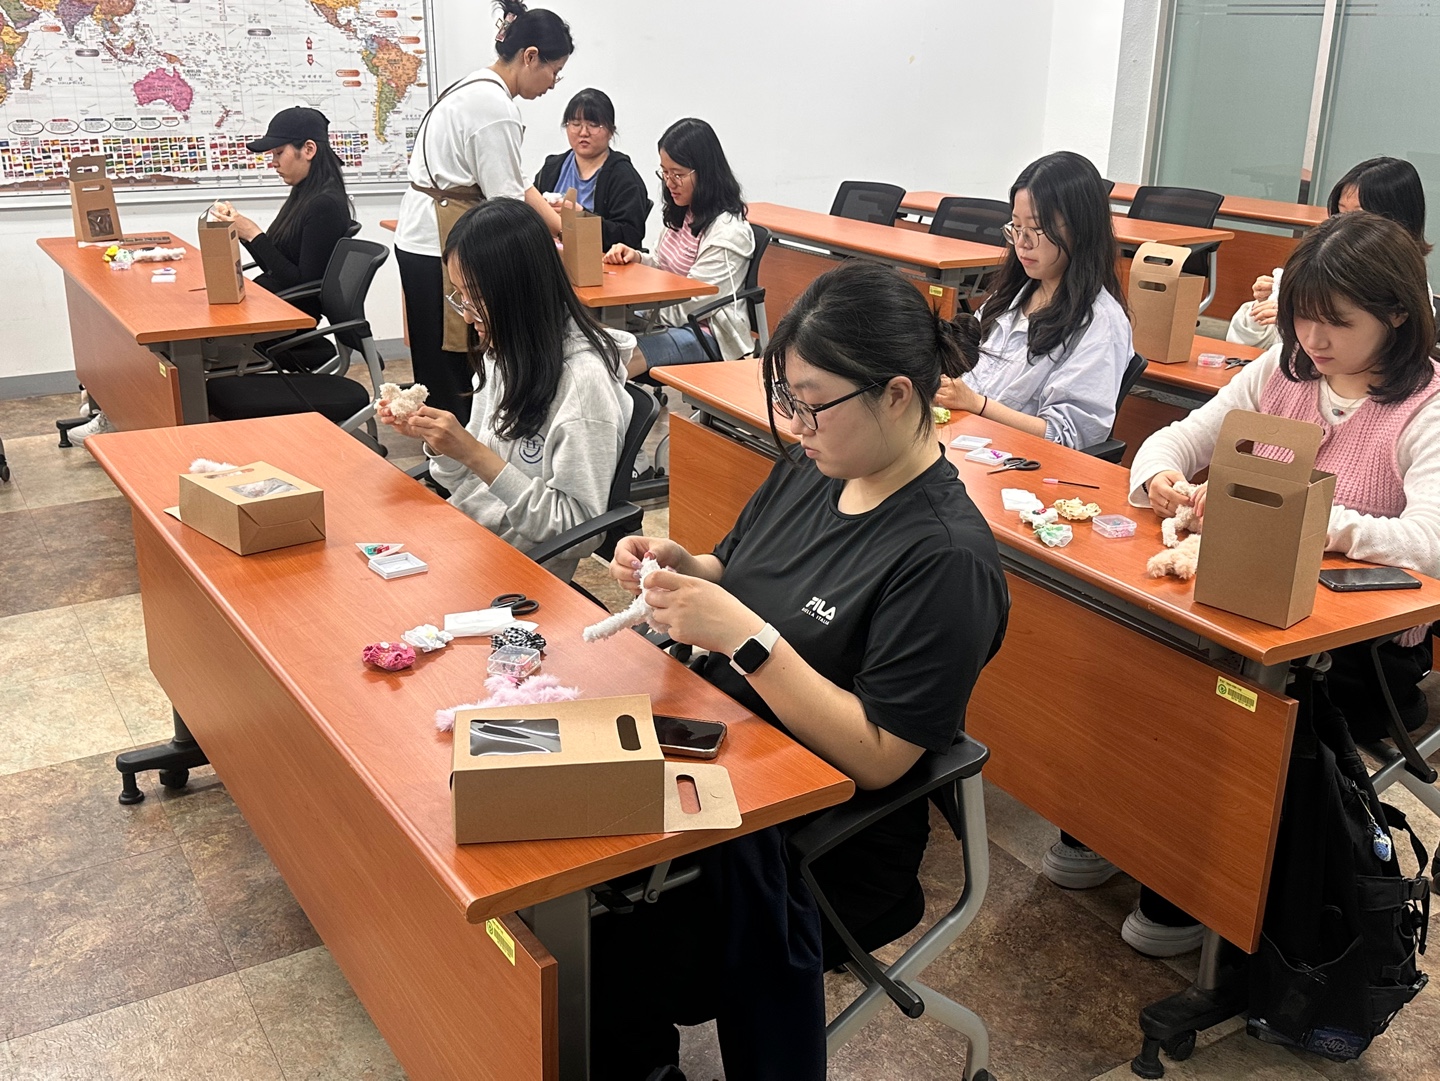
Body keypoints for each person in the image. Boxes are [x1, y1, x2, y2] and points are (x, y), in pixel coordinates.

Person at [589, 261, 1009, 1079]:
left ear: (897, 395)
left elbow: (879, 754)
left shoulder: (946, 557)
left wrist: (747, 640)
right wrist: (686, 567)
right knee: (556, 882)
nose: (796, 423)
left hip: (823, 845)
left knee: (594, 948)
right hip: (726, 766)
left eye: (812, 402)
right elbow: (739, 569)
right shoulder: (818, 466)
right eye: (788, 396)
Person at [1062, 211, 1440, 958]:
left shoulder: (1424, 407)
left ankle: (1191, 885)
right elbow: (1179, 437)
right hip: (1246, 605)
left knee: (1211, 690)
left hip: (1357, 654)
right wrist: (1160, 476)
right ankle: (1110, 825)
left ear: (1397, 314)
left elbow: (1429, 546)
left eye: (1337, 322)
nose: (1313, 339)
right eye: (1301, 317)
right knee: (1131, 652)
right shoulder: (1283, 372)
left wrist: (1311, 516)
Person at [379, 198, 634, 582]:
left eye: (477, 298)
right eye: (460, 296)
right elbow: (464, 482)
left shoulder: (583, 387)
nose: (467, 315)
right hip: (469, 536)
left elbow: (578, 531)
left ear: (519, 293)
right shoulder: (503, 354)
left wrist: (473, 453)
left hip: (520, 573)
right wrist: (445, 446)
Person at [68, 106, 353, 442]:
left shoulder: (326, 205)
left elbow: (302, 283)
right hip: (270, 303)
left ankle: (131, 417)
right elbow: (279, 263)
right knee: (156, 323)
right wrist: (240, 232)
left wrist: (252, 234)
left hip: (284, 318)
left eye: (279, 153)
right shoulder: (305, 194)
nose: (273, 162)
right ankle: (117, 406)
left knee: (167, 339)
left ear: (309, 149)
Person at [394, 0, 572, 424]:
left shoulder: (474, 86)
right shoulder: (495, 108)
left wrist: (563, 227)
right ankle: (455, 452)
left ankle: (444, 444)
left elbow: (516, 182)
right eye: (554, 71)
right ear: (530, 56)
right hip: (440, 236)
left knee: (436, 357)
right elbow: (507, 204)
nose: (553, 83)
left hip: (422, 233)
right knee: (455, 360)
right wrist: (555, 246)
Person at [932, 150, 1133, 451]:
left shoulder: (1100, 323)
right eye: (1016, 227)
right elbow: (963, 365)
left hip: (1018, 459)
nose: (1022, 243)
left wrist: (976, 404)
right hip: (964, 437)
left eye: (1037, 229)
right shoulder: (1013, 295)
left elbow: (1066, 437)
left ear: (1080, 230)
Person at [603, 117, 756, 375]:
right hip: (666, 318)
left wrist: (640, 313)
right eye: (664, 172)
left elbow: (693, 303)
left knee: (615, 358)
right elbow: (664, 267)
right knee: (591, 337)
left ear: (705, 173)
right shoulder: (684, 212)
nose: (669, 182)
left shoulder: (729, 232)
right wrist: (638, 258)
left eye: (678, 174)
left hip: (706, 332)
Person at [1228, 156, 1430, 349]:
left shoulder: (1405, 287)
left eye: (1359, 214)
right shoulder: (1319, 264)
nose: (1344, 223)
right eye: (1341, 212)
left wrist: (1294, 318)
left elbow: (1356, 354)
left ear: (1396, 220)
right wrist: (1266, 306)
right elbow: (1243, 344)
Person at [528, 88, 649, 249]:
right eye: (576, 124)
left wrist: (582, 216)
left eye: (594, 125)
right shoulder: (551, 168)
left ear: (611, 131)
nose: (583, 132)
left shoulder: (624, 177)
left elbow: (630, 236)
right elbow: (528, 214)